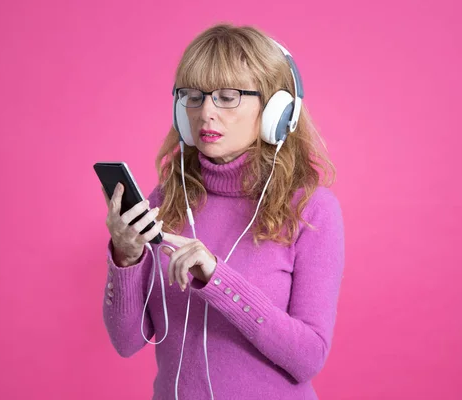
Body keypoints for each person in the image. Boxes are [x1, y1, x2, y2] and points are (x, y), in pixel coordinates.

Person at [100, 23, 345, 400]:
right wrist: (126, 258)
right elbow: (127, 341)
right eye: (194, 97)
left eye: (228, 96)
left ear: (275, 110)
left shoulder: (312, 210)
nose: (206, 112)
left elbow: (308, 357)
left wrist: (217, 277)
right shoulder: (165, 201)